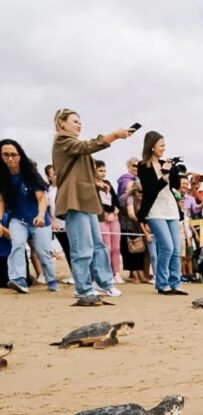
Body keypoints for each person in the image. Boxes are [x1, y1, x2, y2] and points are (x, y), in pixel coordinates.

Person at [51, 108, 133, 299]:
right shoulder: (62, 140)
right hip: (74, 200)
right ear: (62, 123)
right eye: (75, 121)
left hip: (86, 199)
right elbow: (88, 147)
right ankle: (83, 288)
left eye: (80, 121)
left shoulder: (73, 144)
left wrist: (97, 183)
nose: (79, 124)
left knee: (98, 245)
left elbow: (78, 169)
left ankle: (104, 283)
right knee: (83, 247)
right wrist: (114, 135)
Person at [0, 138, 58, 294]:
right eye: (5, 155)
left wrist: (40, 215)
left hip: (37, 219)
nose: (10, 158)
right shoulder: (2, 177)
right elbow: (1, 201)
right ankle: (19, 279)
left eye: (13, 154)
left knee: (43, 252)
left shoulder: (29, 174)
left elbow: (42, 198)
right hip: (17, 219)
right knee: (17, 245)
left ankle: (51, 279)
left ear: (20, 155)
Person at [136, 130, 187, 295]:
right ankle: (162, 283)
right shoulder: (143, 166)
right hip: (154, 210)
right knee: (167, 247)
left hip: (171, 208)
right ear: (152, 146)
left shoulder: (166, 163)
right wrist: (163, 174)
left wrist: (173, 168)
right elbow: (150, 190)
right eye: (162, 145)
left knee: (176, 249)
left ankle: (175, 283)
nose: (164, 148)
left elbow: (176, 184)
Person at [94, 160, 122, 283]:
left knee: (116, 247)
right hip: (101, 217)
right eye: (100, 171)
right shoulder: (93, 185)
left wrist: (114, 211)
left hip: (113, 217)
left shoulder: (108, 184)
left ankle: (116, 272)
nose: (103, 173)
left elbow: (116, 201)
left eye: (104, 171)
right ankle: (106, 273)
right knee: (106, 247)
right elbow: (98, 203)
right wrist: (109, 211)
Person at [118, 180, 151, 283]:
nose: (141, 194)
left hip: (136, 228)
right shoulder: (129, 199)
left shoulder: (141, 199)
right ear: (134, 191)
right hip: (126, 227)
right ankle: (135, 275)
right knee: (130, 251)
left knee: (139, 250)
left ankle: (141, 274)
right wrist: (142, 222)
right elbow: (131, 214)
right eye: (140, 192)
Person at [44, 164, 71, 271]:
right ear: (49, 177)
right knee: (67, 249)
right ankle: (75, 275)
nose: (57, 175)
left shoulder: (67, 187)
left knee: (77, 249)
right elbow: (46, 209)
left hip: (71, 223)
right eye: (54, 174)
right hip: (57, 226)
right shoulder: (47, 190)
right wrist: (52, 222)